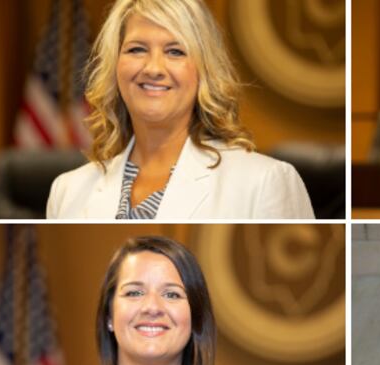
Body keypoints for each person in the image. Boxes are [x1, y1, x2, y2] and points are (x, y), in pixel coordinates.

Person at [47, 0, 314, 219]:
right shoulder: (67, 191)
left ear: (204, 70)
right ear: (114, 66)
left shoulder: (265, 181)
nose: (153, 68)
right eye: (137, 49)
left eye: (175, 52)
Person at [5, 236, 288, 365]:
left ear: (195, 318)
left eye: (172, 294)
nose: (152, 307)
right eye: (134, 292)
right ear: (109, 316)